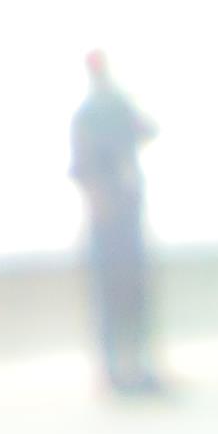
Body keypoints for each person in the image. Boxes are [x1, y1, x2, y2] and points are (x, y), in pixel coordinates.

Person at [74, 51, 168, 397]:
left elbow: (146, 131)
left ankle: (125, 370)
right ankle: (127, 370)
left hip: (115, 216)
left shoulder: (97, 112)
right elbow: (147, 131)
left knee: (121, 295)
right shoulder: (101, 111)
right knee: (125, 295)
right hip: (117, 216)